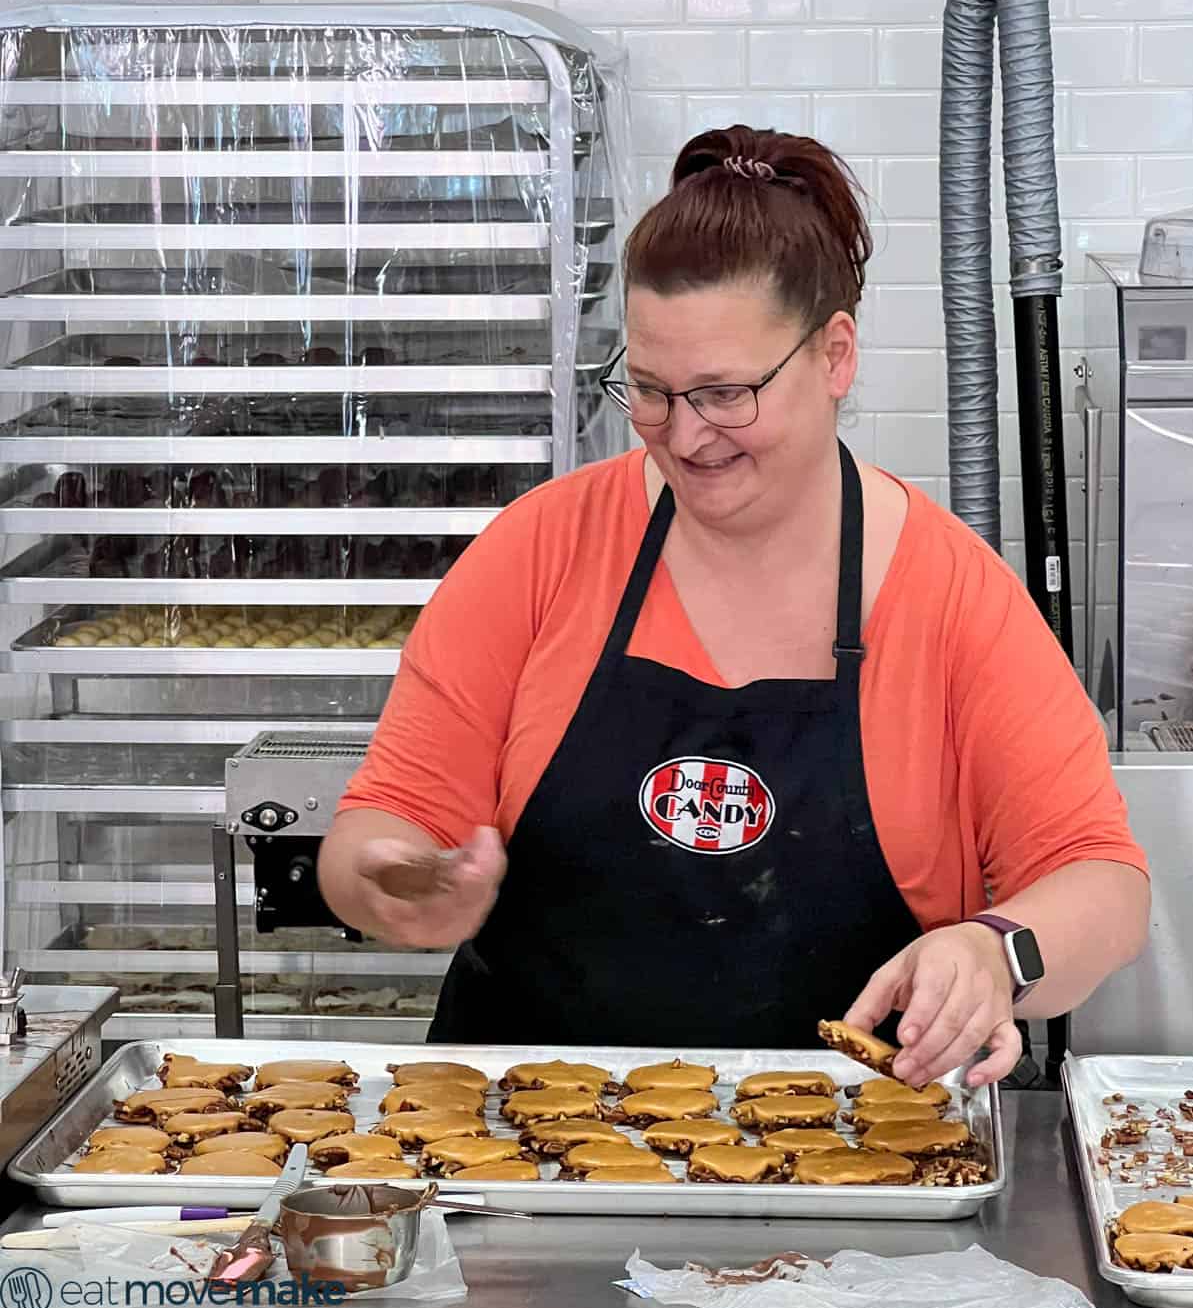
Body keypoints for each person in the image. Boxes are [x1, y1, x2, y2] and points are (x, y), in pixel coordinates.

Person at [318, 126, 1149, 1090]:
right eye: (649, 390)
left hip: (852, 1172)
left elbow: (1105, 883)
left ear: (835, 354)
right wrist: (388, 881)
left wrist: (996, 952)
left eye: (724, 393)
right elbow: (383, 821)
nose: (685, 435)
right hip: (515, 1164)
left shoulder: (953, 595)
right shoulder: (540, 553)